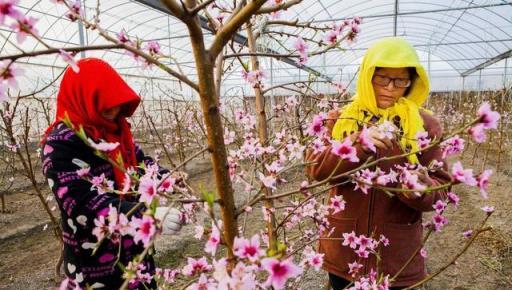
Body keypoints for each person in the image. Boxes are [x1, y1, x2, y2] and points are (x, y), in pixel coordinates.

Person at [306, 37, 452, 289]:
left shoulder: (424, 125)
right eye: (382, 78)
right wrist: (357, 144)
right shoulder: (340, 119)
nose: (390, 88)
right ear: (367, 76)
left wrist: (420, 188)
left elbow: (441, 189)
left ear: (412, 83)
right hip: (344, 246)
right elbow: (317, 170)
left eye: (400, 81)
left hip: (395, 254)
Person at [41, 58, 182, 289]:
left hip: (135, 252)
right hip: (94, 264)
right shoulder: (59, 144)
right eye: (104, 102)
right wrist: (148, 217)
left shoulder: (117, 131)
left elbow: (140, 165)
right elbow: (81, 205)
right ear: (83, 96)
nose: (114, 109)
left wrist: (168, 180)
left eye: (116, 102)